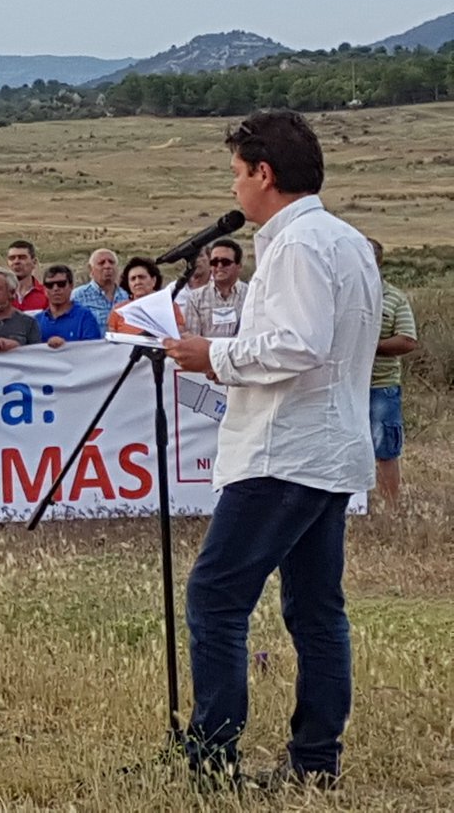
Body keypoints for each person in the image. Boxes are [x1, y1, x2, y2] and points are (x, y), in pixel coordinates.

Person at [164, 110, 381, 787]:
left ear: (264, 173)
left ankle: (211, 760)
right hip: (328, 445)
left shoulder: (294, 246)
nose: (234, 190)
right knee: (315, 608)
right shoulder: (346, 240)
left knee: (216, 598)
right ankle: (316, 763)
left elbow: (298, 344)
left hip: (283, 450)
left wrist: (212, 354)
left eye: (236, 173)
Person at [367, 238, 418, 507]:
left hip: (380, 386)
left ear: (378, 262)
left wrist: (368, 346)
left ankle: (390, 506)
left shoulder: (394, 298)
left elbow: (407, 340)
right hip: (342, 386)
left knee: (385, 446)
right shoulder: (336, 295)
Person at [184, 238, 249, 338]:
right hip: (206, 353)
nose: (219, 266)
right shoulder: (195, 298)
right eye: (214, 262)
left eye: (225, 262)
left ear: (239, 266)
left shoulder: (251, 294)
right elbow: (192, 338)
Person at [106, 257, 186, 335]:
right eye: (133, 279)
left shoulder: (170, 306)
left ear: (154, 280)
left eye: (141, 277)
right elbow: (111, 342)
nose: (137, 282)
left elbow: (179, 335)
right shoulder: (119, 310)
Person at [33, 265, 101, 347]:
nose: (55, 288)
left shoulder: (85, 317)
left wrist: (65, 347)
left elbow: (93, 349)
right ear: (44, 289)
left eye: (61, 284)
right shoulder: (36, 321)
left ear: (71, 286)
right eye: (50, 285)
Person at [71, 248, 129, 333]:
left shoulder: (127, 295)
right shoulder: (77, 296)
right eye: (101, 263)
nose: (107, 266)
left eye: (111, 262)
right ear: (91, 269)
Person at [7, 240, 46, 312]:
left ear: (34, 262)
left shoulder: (46, 295)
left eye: (22, 257)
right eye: (12, 258)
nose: (16, 262)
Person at [175, 247, 211, 315]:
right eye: (191, 257)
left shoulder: (222, 288)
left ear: (210, 258)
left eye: (200, 256)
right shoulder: (174, 289)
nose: (196, 260)